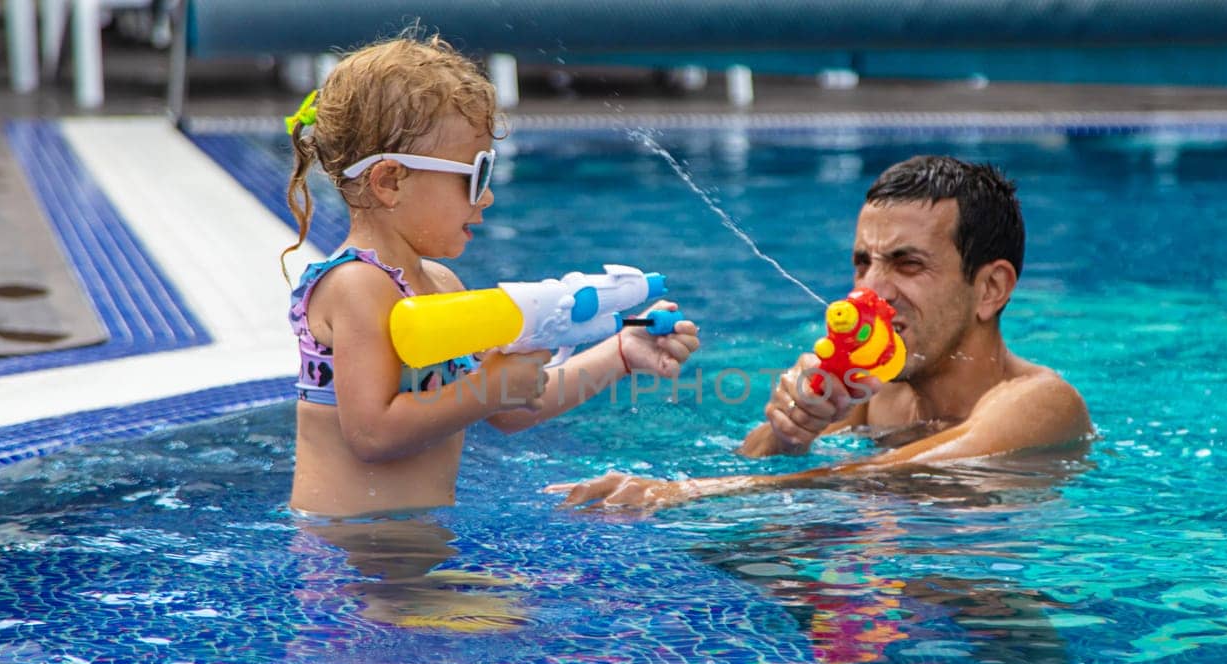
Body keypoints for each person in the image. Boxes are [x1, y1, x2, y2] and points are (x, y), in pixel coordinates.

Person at [283, 33, 700, 516]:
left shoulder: (442, 285)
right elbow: (373, 434)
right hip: (349, 558)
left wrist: (621, 353)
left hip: (414, 547)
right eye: (476, 176)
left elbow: (509, 407)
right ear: (391, 181)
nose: (487, 198)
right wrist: (490, 388)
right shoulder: (356, 285)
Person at [551, 156, 1090, 509]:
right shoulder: (871, 396)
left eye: (906, 264)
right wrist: (788, 433)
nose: (866, 294)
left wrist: (686, 493)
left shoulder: (1041, 402)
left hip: (988, 609)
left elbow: (908, 472)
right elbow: (760, 469)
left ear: (991, 288)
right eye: (862, 265)